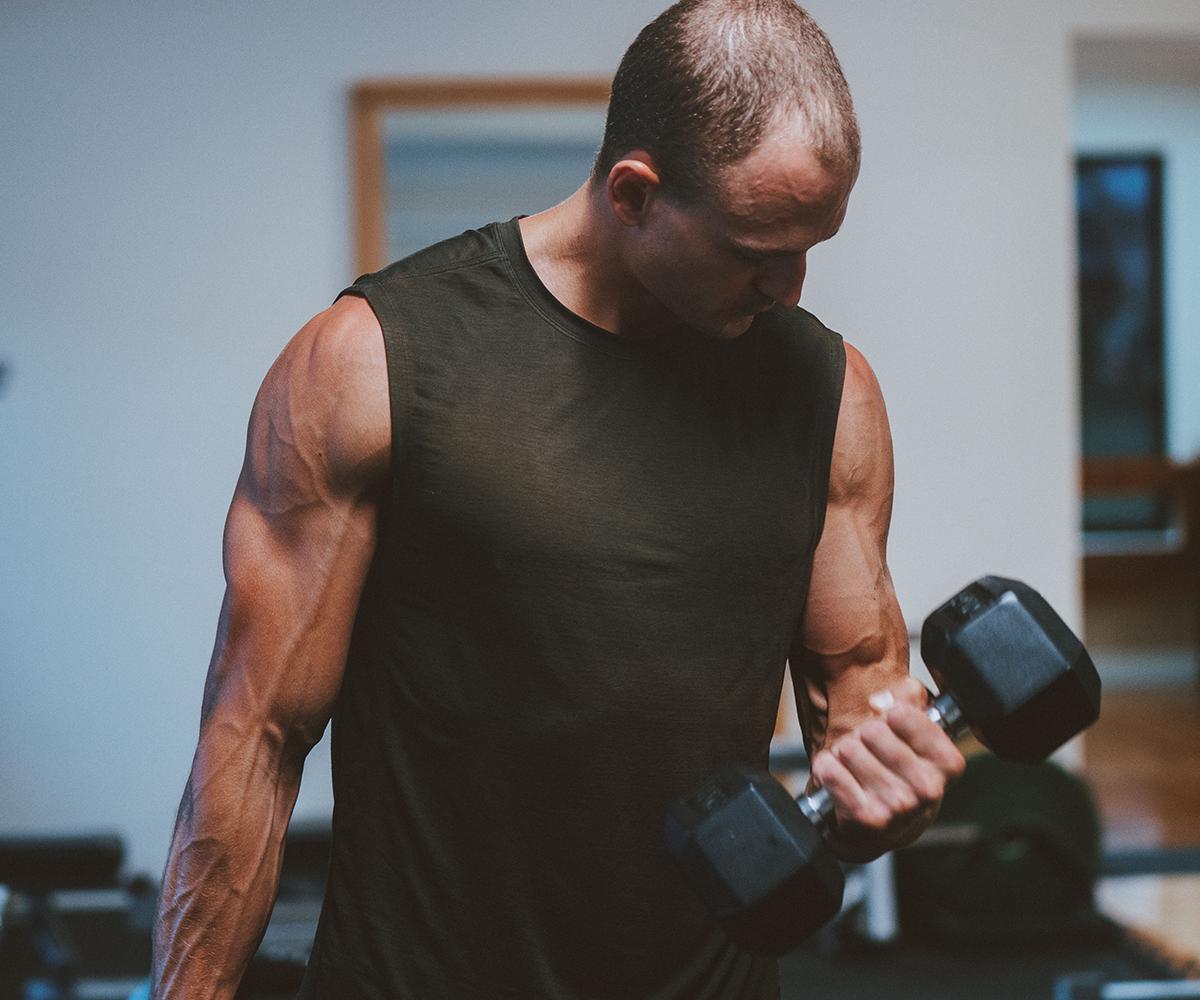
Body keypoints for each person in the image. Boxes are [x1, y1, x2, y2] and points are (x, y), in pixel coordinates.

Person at [151, 1, 965, 997]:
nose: (789, 292)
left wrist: (900, 790)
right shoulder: (372, 361)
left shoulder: (829, 394)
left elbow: (862, 716)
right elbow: (253, 742)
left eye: (809, 250)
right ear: (634, 194)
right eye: (755, 253)